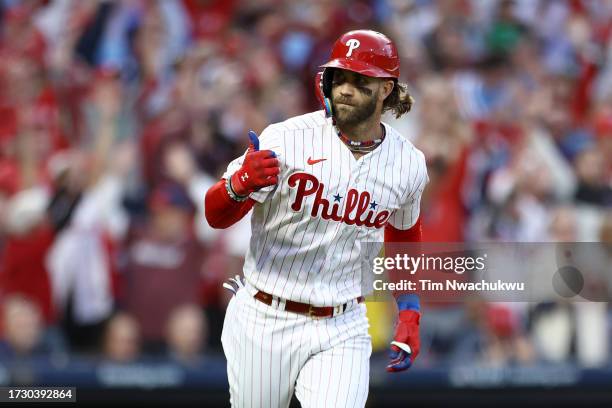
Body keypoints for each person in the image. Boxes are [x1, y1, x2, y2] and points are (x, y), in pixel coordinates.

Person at [205, 30, 428, 407]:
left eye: (360, 80)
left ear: (386, 89)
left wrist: (409, 307)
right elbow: (215, 215)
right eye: (339, 76)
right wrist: (240, 184)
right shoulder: (285, 139)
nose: (344, 88)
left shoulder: (408, 163)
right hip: (265, 314)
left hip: (343, 322)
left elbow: (403, 236)